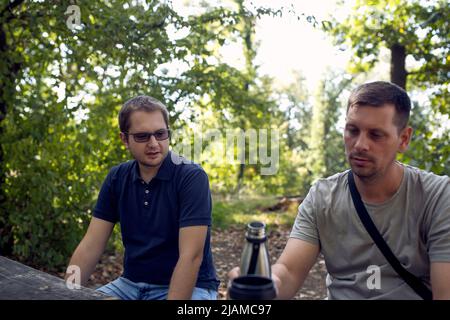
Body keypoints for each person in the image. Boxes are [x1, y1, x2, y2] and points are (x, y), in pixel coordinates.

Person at [229, 81, 450, 299]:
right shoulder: (323, 197)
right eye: (352, 130)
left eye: (375, 135)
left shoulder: (437, 197)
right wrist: (264, 284)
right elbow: (288, 271)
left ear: (403, 139)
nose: (360, 144)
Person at [65, 95, 219, 300]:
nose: (154, 143)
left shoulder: (191, 176)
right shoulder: (117, 177)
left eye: (160, 134)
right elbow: (91, 245)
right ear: (124, 139)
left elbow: (191, 257)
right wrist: (67, 293)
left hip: (190, 287)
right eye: (142, 136)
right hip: (129, 285)